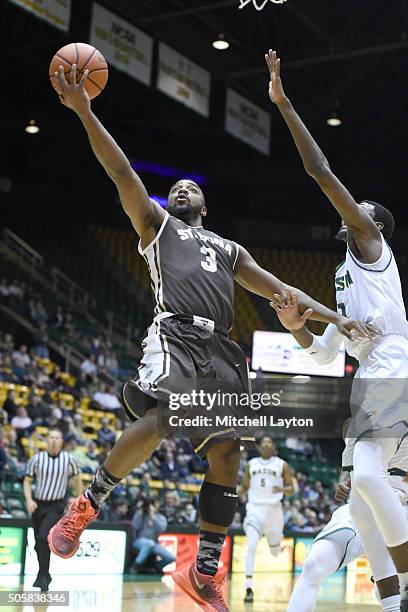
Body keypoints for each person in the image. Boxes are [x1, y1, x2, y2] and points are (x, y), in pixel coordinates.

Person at [47, 63, 369, 612]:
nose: (180, 188)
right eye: (175, 186)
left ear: (205, 205)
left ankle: (203, 571)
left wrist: (333, 319)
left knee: (226, 454)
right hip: (176, 332)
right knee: (169, 412)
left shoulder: (227, 248)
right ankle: (89, 503)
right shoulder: (155, 225)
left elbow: (281, 289)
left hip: (224, 350)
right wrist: (85, 111)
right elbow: (122, 171)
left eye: (190, 186)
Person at [266, 48, 408, 611]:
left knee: (373, 484)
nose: (349, 214)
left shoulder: (373, 249)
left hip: (395, 367)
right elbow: (324, 353)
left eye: (359, 210)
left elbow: (319, 171)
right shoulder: (346, 276)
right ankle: (395, 596)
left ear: (373, 225)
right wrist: (295, 327)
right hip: (371, 377)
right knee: (366, 494)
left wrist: (283, 102)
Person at [287, 436, 408, 612]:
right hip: (359, 506)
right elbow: (349, 468)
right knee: (315, 563)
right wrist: (343, 481)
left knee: (388, 594)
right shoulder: (358, 421)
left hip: (401, 507)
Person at [23, 428, 82, 591]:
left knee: (43, 538)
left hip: (56, 505)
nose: (54, 440)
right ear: (47, 440)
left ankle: (43, 576)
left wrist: (77, 499)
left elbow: (78, 479)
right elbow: (27, 481)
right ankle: (44, 574)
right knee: (37, 543)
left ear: (62, 441)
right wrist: (29, 500)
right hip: (38, 504)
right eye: (51, 437)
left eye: (57, 438)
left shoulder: (69, 460)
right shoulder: (37, 459)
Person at [238, 436, 295, 604]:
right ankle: (249, 588)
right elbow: (244, 488)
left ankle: (278, 547)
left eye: (269, 442)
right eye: (263, 443)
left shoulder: (281, 464)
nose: (266, 444)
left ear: (274, 447)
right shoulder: (251, 464)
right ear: (259, 447)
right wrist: (232, 493)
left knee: (275, 552)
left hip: (274, 513)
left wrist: (282, 489)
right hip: (254, 509)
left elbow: (291, 489)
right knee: (251, 545)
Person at [131, 498, 175, 574]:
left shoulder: (160, 517)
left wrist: (153, 517)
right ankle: (135, 566)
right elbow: (135, 526)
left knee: (171, 557)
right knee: (149, 543)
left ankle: (157, 567)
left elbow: (162, 529)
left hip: (154, 543)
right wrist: (139, 514)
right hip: (139, 540)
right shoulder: (141, 514)